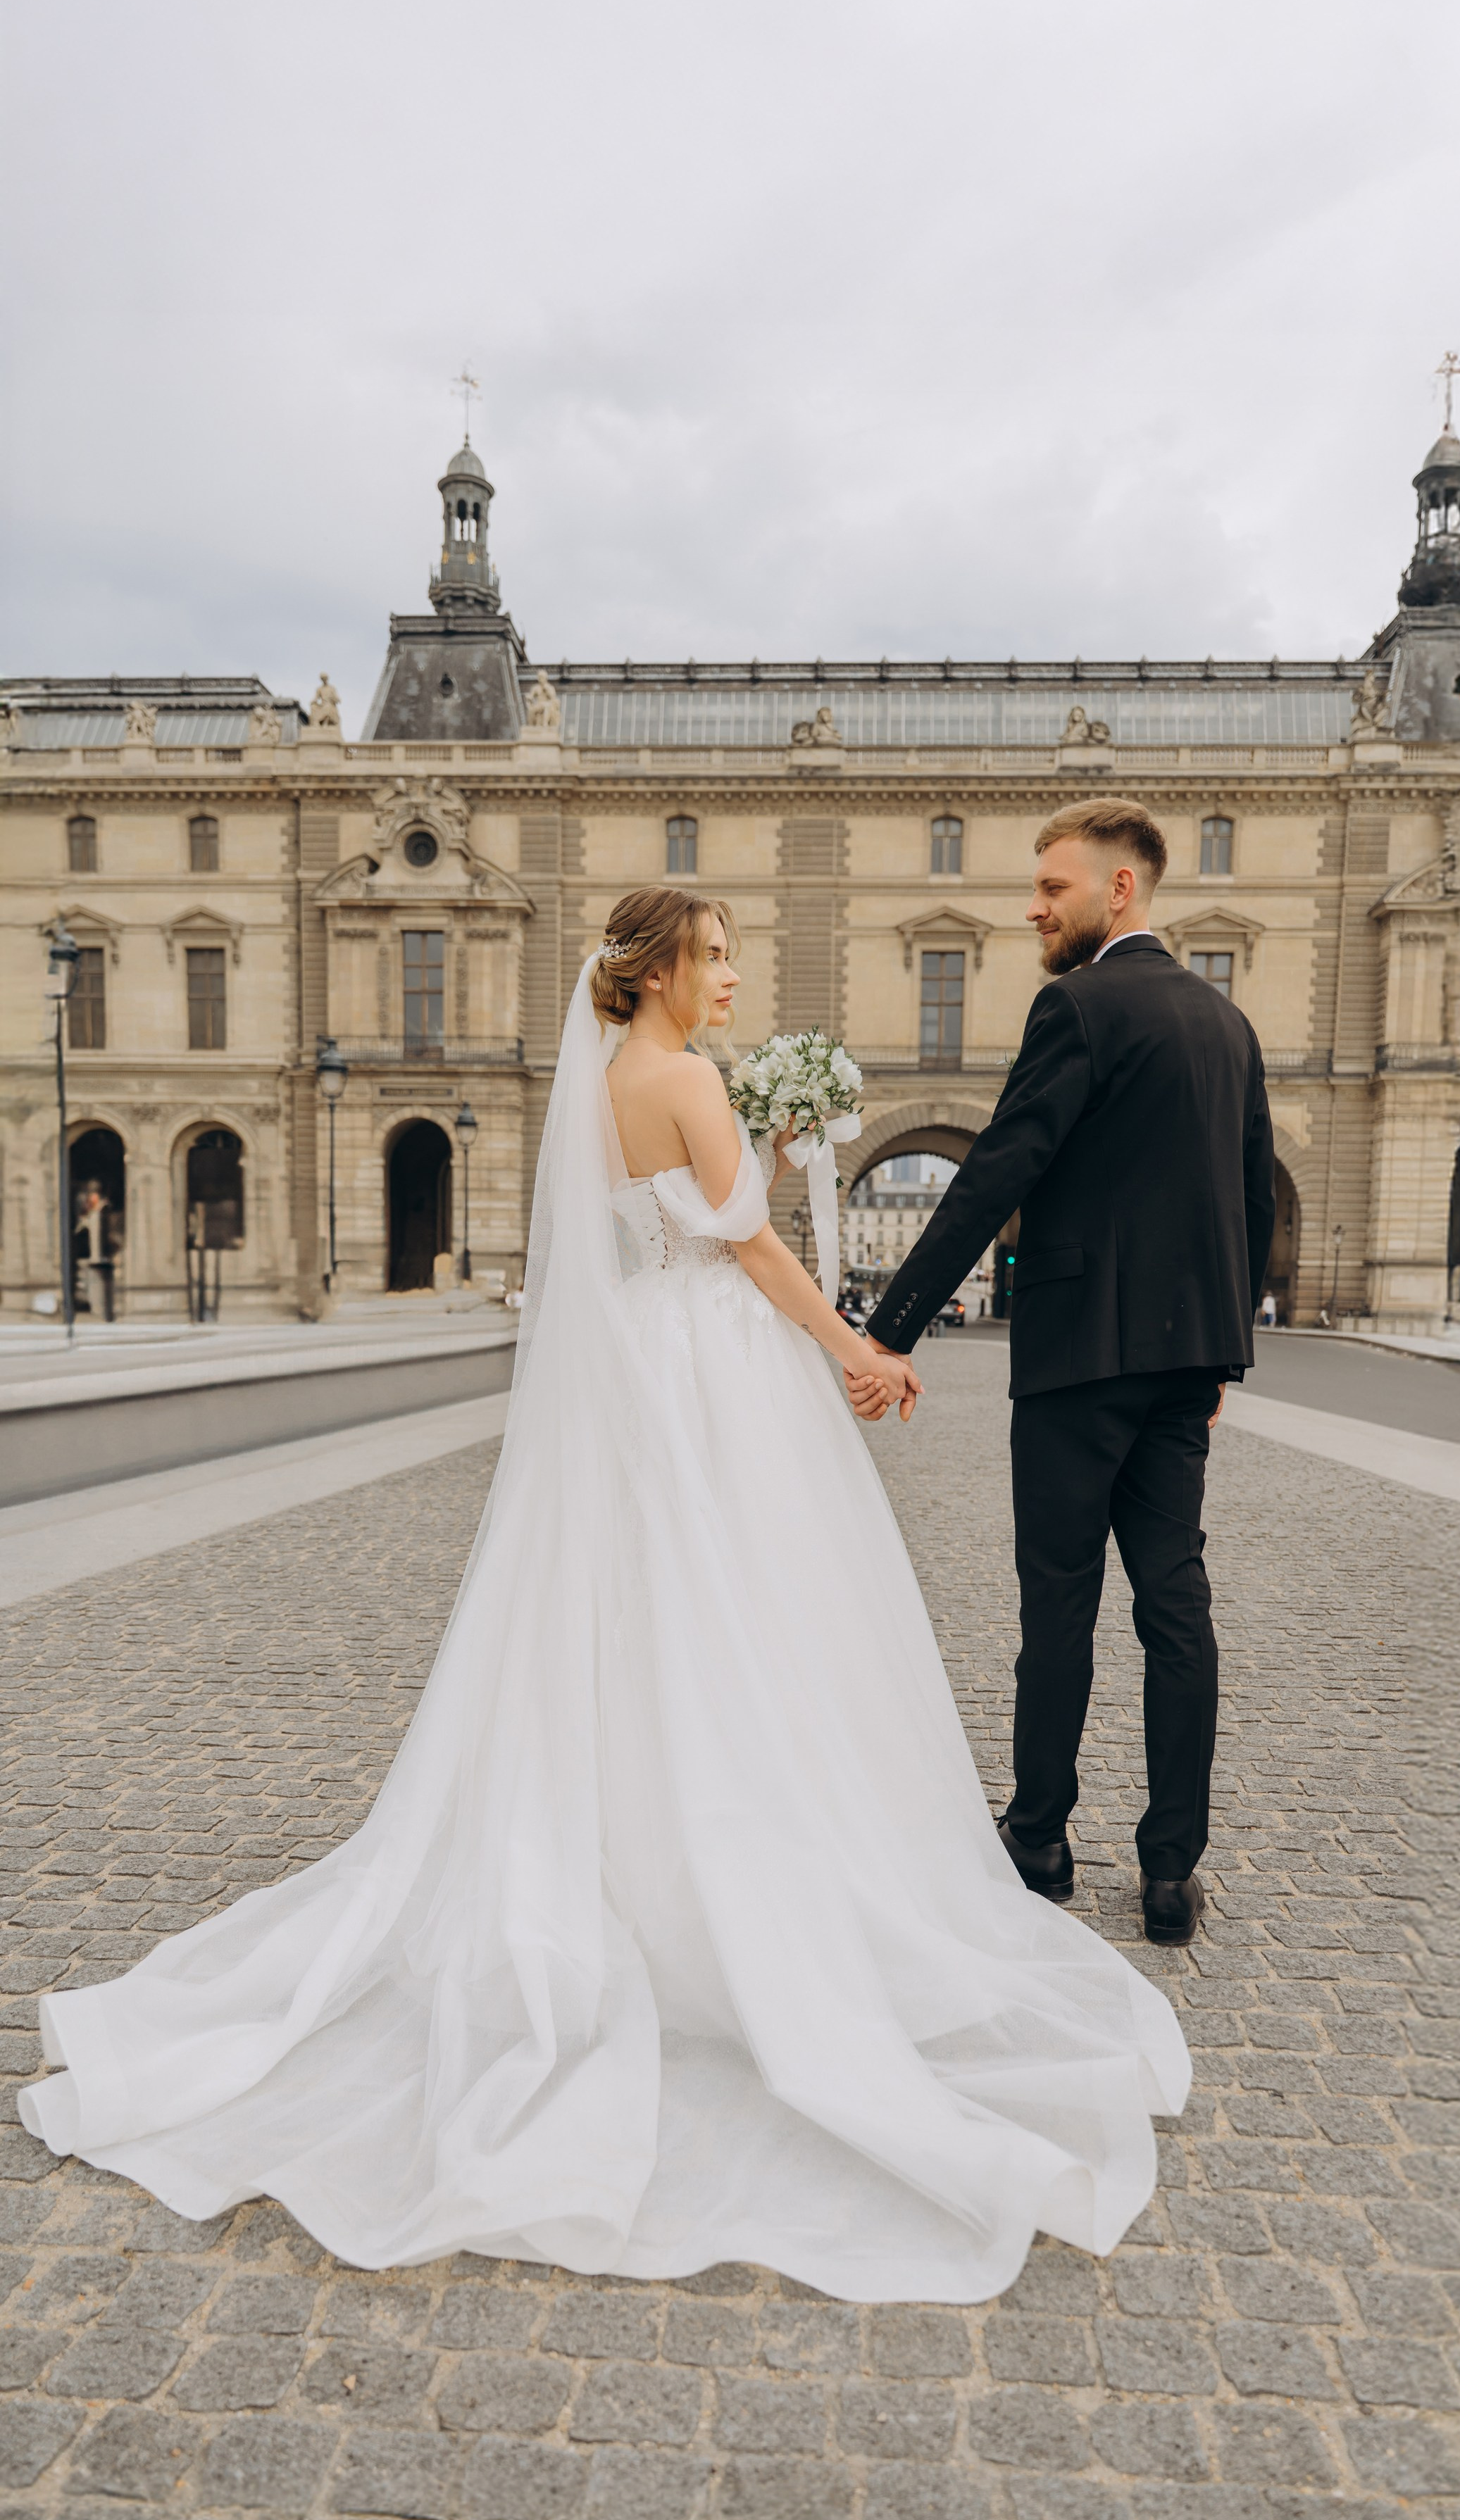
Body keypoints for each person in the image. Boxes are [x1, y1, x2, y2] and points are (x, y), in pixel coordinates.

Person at [21, 884, 1188, 2300]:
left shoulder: (608, 1090)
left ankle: (633, 1857)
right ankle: (743, 1876)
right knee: (755, 1617)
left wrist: (757, 1153)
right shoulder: (686, 1073)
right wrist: (857, 1350)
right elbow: (750, 1243)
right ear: (654, 973)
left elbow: (669, 1224)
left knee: (635, 1611)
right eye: (713, 955)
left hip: (643, 1361)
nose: (730, 977)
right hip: (720, 1368)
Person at [865, 801, 1275, 1951]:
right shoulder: (1227, 1025)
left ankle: (1040, 1840)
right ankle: (1170, 1870)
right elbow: (1250, 1200)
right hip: (1186, 1361)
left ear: (1121, 892)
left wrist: (893, 1326)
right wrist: (1223, 1343)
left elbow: (999, 1169)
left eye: (1053, 888)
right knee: (1175, 1601)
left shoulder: (1077, 1006)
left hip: (1075, 1356)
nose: (1034, 907)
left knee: (1061, 1602)